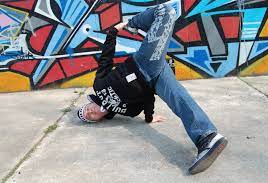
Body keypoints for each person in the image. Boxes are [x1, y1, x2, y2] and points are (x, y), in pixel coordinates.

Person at [77, 3, 228, 174]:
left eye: (85, 110)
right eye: (89, 117)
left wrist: (113, 33)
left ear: (88, 104)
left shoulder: (99, 85)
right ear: (98, 119)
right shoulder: (128, 112)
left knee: (166, 12)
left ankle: (134, 24)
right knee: (179, 99)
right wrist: (149, 117)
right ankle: (207, 138)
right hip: (155, 81)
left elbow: (106, 59)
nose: (89, 112)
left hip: (143, 62)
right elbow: (147, 99)